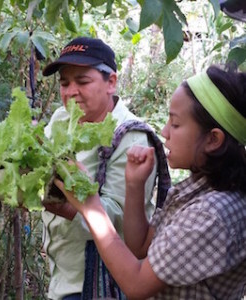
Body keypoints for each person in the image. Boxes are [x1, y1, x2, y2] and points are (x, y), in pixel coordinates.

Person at [55, 64, 246, 299]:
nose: (165, 132)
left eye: (175, 124)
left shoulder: (212, 214)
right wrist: (135, 185)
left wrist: (91, 207)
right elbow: (140, 247)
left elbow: (135, 284)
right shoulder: (194, 192)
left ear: (213, 139)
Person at [41, 37, 161, 300]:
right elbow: (41, 165)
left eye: (82, 82)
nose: (71, 91)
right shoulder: (61, 118)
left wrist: (59, 203)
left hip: (100, 287)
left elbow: (122, 222)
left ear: (111, 82)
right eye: (64, 83)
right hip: (62, 277)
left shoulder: (132, 137)